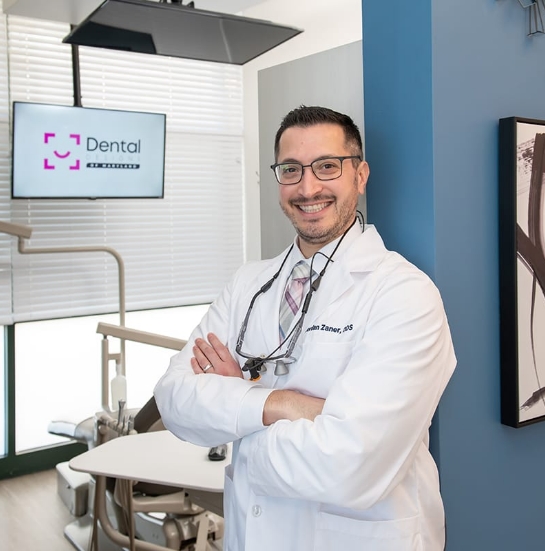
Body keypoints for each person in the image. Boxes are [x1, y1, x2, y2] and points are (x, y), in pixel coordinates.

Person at [154, 105, 456, 551]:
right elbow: (174, 400)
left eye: (327, 167)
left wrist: (236, 411)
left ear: (360, 174)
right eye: (291, 170)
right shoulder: (247, 285)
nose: (308, 187)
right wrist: (287, 404)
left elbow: (351, 465)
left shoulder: (405, 294)